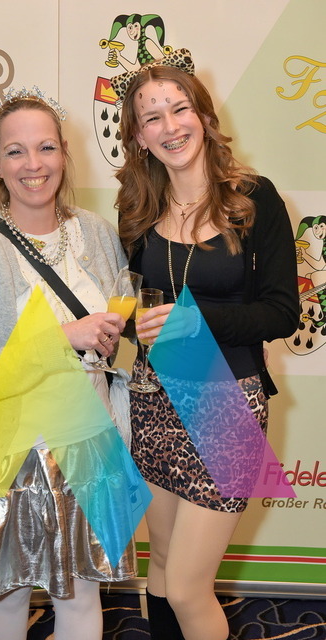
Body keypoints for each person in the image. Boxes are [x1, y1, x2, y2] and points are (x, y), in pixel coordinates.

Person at [0, 87, 139, 640]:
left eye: (46, 147)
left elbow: (120, 338)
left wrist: (126, 340)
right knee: (8, 597)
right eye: (16, 151)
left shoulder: (96, 233)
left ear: (65, 152)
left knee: (83, 596)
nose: (33, 164)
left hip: (88, 443)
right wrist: (65, 337)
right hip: (12, 456)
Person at [110, 49, 300, 640]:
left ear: (204, 115)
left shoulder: (253, 198)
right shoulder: (137, 209)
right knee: (162, 568)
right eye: (152, 117)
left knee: (190, 587)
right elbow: (131, 308)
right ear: (138, 137)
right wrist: (123, 324)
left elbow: (282, 313)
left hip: (228, 402)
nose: (170, 126)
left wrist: (196, 322)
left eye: (180, 109)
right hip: (153, 397)